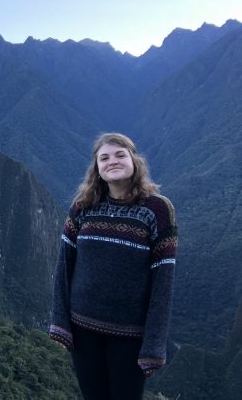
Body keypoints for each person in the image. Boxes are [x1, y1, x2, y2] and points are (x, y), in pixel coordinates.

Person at [49, 133, 177, 400]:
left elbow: (162, 282)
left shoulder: (157, 211)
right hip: (83, 330)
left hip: (130, 336)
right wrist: (61, 322)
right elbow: (64, 265)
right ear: (97, 168)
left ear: (134, 161)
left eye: (120, 155)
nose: (112, 161)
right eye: (104, 158)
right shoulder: (83, 208)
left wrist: (153, 344)